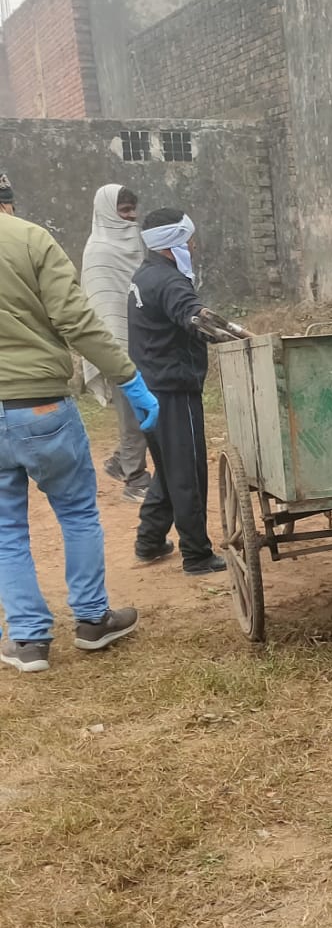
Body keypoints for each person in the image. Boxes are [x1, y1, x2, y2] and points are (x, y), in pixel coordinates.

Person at [0, 168, 147, 673]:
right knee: (78, 513)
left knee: (5, 530)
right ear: (9, 200)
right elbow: (76, 319)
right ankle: (91, 621)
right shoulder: (30, 238)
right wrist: (127, 376)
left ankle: (28, 641)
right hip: (41, 405)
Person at [128, 208, 224, 577]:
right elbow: (195, 316)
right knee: (187, 473)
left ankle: (150, 540)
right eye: (188, 239)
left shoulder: (145, 275)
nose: (193, 245)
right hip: (173, 390)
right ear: (173, 244)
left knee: (169, 469)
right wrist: (241, 338)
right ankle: (197, 555)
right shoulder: (170, 282)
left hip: (148, 388)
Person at [81, 183, 150, 501]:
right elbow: (101, 304)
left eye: (133, 210)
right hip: (116, 345)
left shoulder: (135, 243)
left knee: (143, 409)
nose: (131, 217)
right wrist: (114, 351)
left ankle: (122, 461)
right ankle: (135, 480)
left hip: (144, 339)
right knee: (134, 413)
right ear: (108, 211)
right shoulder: (98, 251)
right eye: (124, 211)